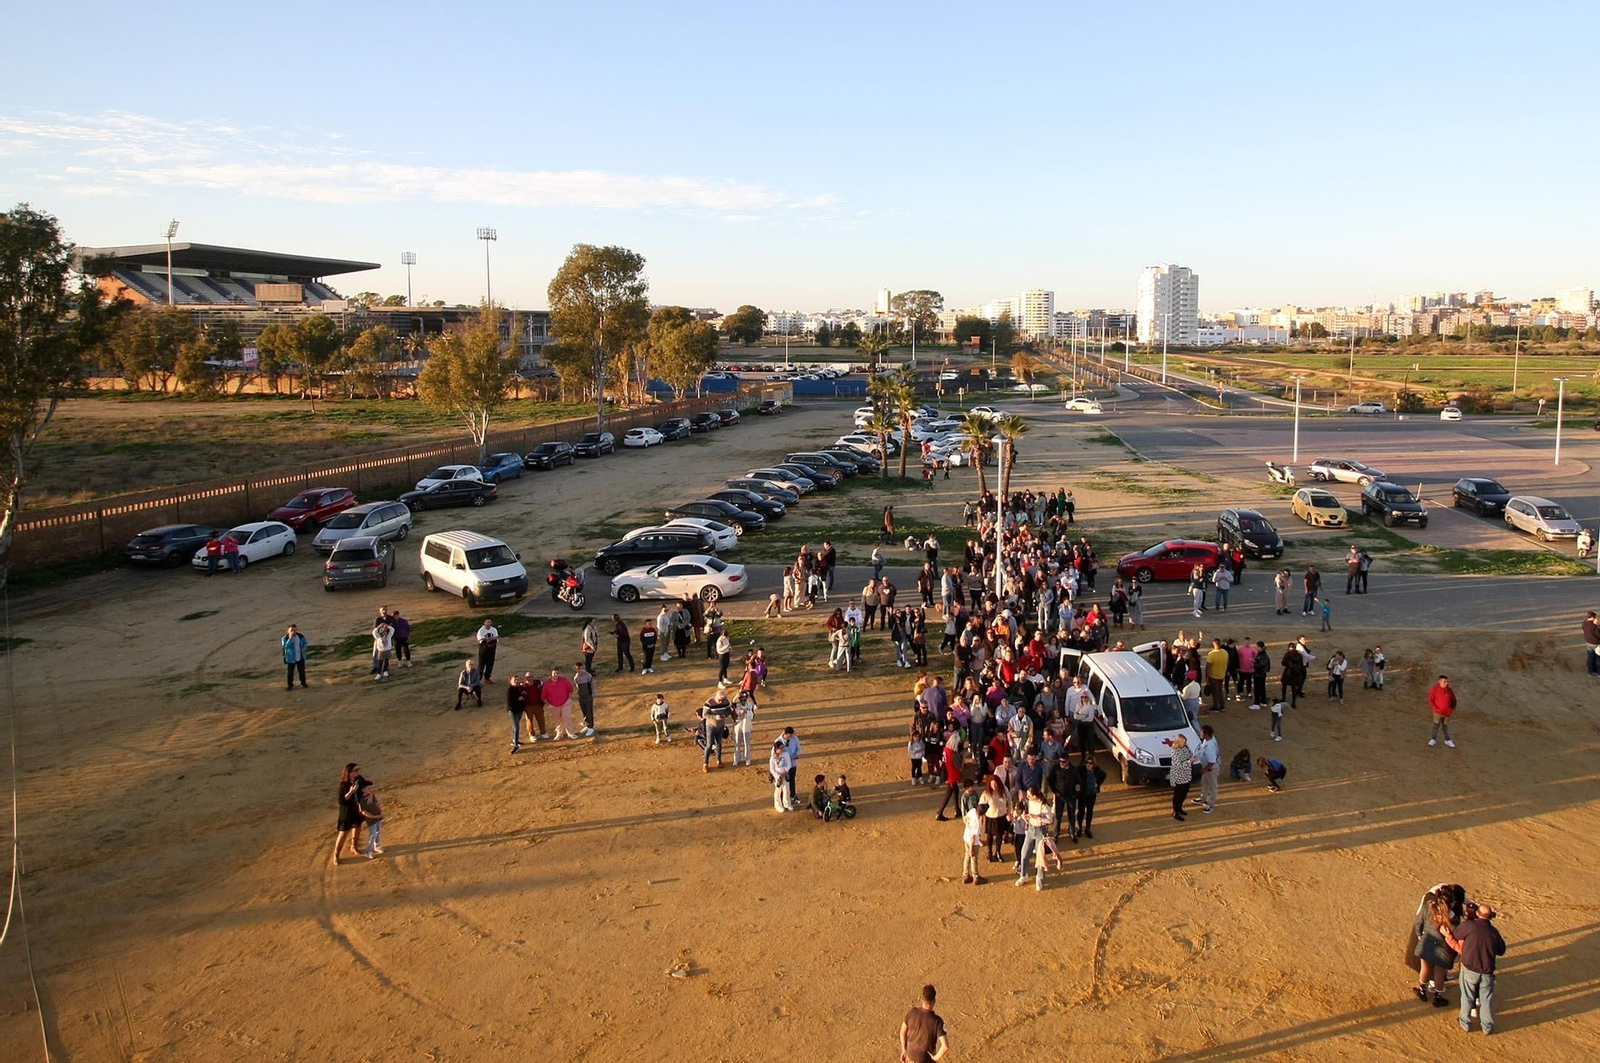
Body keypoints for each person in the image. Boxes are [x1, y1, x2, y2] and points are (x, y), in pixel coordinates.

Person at [1445, 902, 1506, 1034]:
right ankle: (1487, 1027)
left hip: (1469, 968)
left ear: (1478, 914)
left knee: (1467, 996)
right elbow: (1501, 950)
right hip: (1487, 971)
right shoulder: (1494, 932)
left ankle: (1465, 1023)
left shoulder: (1470, 926)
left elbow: (1456, 935)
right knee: (1486, 1000)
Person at [1412, 888, 1461, 1008]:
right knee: (1440, 973)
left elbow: (1418, 923)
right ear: (1452, 903)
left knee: (1425, 968)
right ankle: (1438, 997)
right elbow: (1457, 936)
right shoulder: (1454, 920)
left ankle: (1422, 990)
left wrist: (1419, 936)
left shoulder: (1428, 908)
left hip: (1427, 945)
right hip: (1444, 951)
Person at [330, 762, 369, 867]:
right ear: (349, 773)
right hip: (347, 811)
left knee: (357, 827)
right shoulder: (343, 785)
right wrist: (351, 792)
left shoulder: (359, 779)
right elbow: (342, 801)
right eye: (355, 770)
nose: (358, 772)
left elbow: (366, 787)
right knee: (343, 833)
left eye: (358, 770)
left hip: (357, 808)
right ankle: (336, 854)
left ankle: (354, 846)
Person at [899, 984, 949, 1063]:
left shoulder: (912, 1012)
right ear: (934, 1001)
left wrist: (904, 1049)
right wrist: (935, 1058)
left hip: (910, 1057)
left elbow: (902, 1032)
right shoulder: (938, 1022)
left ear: (921, 999)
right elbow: (945, 1047)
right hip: (925, 1059)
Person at [1015, 787, 1053, 891]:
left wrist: (1038, 818)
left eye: (1029, 795)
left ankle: (1039, 878)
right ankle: (1023, 875)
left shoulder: (1044, 805)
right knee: (1024, 853)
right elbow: (1025, 813)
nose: (1027, 797)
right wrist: (1025, 817)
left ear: (1035, 796)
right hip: (1030, 829)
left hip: (1041, 831)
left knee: (1040, 857)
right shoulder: (1029, 802)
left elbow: (1050, 820)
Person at [1067, 753, 1104, 841]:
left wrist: (1097, 784)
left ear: (1093, 764)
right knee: (1081, 811)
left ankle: (1087, 828)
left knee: (1090, 811)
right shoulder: (1081, 769)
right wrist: (1077, 785)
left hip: (1092, 793)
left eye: (1090, 763)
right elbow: (1074, 774)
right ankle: (1079, 827)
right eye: (1087, 762)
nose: (1088, 764)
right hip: (1083, 794)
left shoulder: (1097, 770)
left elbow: (1103, 775)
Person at [700, 686, 733, 770]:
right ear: (716, 697)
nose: (721, 702)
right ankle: (705, 764)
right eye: (719, 700)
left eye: (722, 700)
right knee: (709, 745)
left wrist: (725, 715)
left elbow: (728, 710)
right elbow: (704, 715)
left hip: (721, 726)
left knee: (719, 743)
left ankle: (719, 761)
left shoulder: (725, 701)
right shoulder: (709, 703)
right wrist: (715, 717)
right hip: (711, 726)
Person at [543, 666, 578, 740]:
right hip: (553, 705)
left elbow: (570, 690)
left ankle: (571, 733)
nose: (556, 674)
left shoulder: (564, 680)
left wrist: (568, 699)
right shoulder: (546, 684)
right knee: (557, 720)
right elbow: (544, 696)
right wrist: (549, 705)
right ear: (551, 674)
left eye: (557, 673)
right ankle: (559, 733)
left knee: (567, 718)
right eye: (554, 673)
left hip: (565, 703)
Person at [961, 790, 985, 885]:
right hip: (972, 841)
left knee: (967, 856)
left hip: (965, 837)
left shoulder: (972, 811)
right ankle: (976, 877)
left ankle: (966, 875)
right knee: (973, 858)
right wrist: (972, 849)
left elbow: (965, 818)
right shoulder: (977, 822)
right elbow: (973, 837)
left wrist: (968, 826)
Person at [1195, 723, 1219, 813]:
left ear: (1206, 734)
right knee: (1204, 783)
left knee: (1213, 786)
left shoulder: (1210, 746)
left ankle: (1211, 804)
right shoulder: (1208, 740)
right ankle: (1203, 798)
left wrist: (1205, 769)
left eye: (1202, 732)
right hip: (1207, 767)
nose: (1200, 733)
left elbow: (1212, 761)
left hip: (1211, 768)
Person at [1168, 734, 1193, 821]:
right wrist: (1190, 761)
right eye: (1184, 742)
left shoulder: (1185, 748)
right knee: (1178, 795)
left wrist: (1191, 759)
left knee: (1184, 793)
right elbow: (1179, 765)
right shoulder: (1175, 752)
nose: (1185, 743)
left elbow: (1190, 754)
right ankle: (1175, 811)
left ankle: (1180, 808)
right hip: (1179, 777)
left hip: (1186, 775)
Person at [1428, 674, 1457, 748]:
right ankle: (1433, 739)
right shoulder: (1434, 689)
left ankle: (1447, 740)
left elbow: (1454, 701)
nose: (1446, 683)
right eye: (1444, 682)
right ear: (1440, 682)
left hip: (1447, 713)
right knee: (1436, 725)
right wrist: (1435, 708)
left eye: (1447, 681)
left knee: (1445, 726)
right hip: (1438, 712)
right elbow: (1431, 700)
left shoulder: (1450, 690)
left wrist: (1451, 709)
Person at [357, 781, 384, 859]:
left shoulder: (371, 795)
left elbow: (377, 804)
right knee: (373, 835)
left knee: (378, 832)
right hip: (372, 820)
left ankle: (377, 845)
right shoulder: (361, 800)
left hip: (378, 817)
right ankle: (368, 851)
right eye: (369, 788)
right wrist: (375, 817)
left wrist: (381, 812)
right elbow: (364, 812)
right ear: (363, 790)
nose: (371, 789)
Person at [522, 669, 548, 741]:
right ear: (525, 678)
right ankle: (532, 734)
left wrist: (543, 701)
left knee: (541, 719)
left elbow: (545, 690)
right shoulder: (523, 686)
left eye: (531, 676)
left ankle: (543, 732)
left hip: (538, 705)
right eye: (528, 677)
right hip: (528, 706)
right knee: (529, 721)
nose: (529, 678)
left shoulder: (539, 683)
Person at [732, 688, 757, 766]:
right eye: (741, 699)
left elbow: (752, 716)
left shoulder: (750, 705)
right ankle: (736, 759)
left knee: (747, 742)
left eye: (744, 699)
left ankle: (747, 758)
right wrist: (735, 697)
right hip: (738, 724)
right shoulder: (736, 704)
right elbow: (732, 711)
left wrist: (746, 712)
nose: (742, 701)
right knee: (737, 742)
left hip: (747, 723)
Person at [768, 739, 794, 812]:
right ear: (777, 749)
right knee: (778, 791)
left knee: (786, 790)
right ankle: (778, 805)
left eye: (783, 747)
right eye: (781, 748)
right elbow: (772, 769)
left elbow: (789, 764)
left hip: (785, 775)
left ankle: (787, 804)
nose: (783, 749)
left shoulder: (786, 754)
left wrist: (785, 772)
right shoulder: (772, 758)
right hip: (777, 778)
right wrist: (778, 776)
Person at [281, 624, 309, 691]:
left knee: (302, 671)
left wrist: (304, 648)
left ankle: (303, 683)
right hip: (291, 658)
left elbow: (305, 643)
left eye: (294, 630)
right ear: (288, 631)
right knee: (290, 673)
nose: (293, 632)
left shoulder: (300, 636)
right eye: (291, 630)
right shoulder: (285, 639)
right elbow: (286, 646)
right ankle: (290, 685)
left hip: (300, 657)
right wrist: (290, 639)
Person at [574, 662, 596, 735]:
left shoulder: (588, 676)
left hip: (588, 696)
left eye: (581, 668)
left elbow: (592, 685)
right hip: (581, 697)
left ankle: (591, 727)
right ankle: (587, 725)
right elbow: (577, 687)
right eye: (578, 669)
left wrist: (592, 695)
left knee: (589, 711)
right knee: (584, 712)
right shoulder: (576, 677)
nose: (580, 670)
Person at [507, 674, 526, 753]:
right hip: (513, 711)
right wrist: (518, 699)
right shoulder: (510, 690)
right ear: (510, 681)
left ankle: (515, 740)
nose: (517, 681)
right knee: (516, 727)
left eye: (517, 680)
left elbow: (524, 694)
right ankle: (515, 745)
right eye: (515, 680)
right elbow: (510, 702)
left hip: (519, 710)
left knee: (516, 726)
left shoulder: (519, 688)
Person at [475, 619, 498, 683]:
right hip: (483, 650)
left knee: (490, 664)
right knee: (481, 665)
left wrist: (488, 639)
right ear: (484, 623)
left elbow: (497, 638)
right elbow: (481, 640)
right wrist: (491, 638)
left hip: (492, 650)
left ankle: (487, 677)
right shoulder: (481, 631)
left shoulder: (494, 629)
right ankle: (478, 680)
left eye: (490, 622)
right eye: (487, 622)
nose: (489, 623)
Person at [1584, 611, 1600, 676]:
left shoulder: (1584, 623)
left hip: (1588, 642)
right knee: (1598, 658)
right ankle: (1599, 672)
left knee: (1590, 657)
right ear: (1593, 617)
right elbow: (1598, 635)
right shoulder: (1594, 627)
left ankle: (1590, 671)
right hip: (1595, 643)